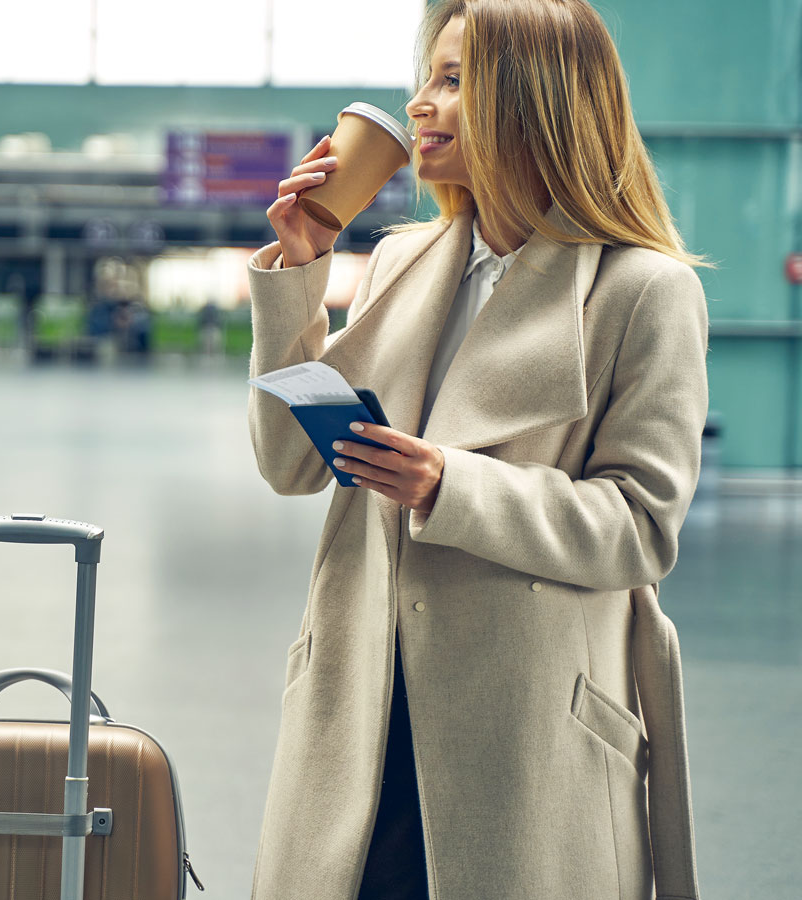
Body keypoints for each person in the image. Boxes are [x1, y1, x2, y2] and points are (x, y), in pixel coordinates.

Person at [245, 2, 710, 899]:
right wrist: (297, 272)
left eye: (453, 81)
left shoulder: (644, 292)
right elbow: (291, 463)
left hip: (526, 725)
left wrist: (448, 484)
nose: (420, 105)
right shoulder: (401, 259)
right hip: (362, 709)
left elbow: (639, 528)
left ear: (537, 103)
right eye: (428, 78)